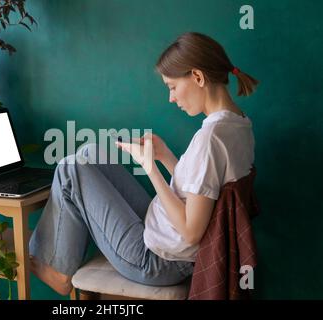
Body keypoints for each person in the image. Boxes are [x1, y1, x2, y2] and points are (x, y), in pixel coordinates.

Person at [29, 32, 259, 296]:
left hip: (156, 262)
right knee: (91, 153)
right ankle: (58, 258)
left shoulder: (210, 138)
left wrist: (150, 168)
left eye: (172, 87)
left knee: (71, 168)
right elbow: (204, 190)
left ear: (197, 77)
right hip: (163, 237)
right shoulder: (239, 124)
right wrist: (166, 157)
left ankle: (58, 268)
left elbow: (191, 230)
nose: (171, 98)